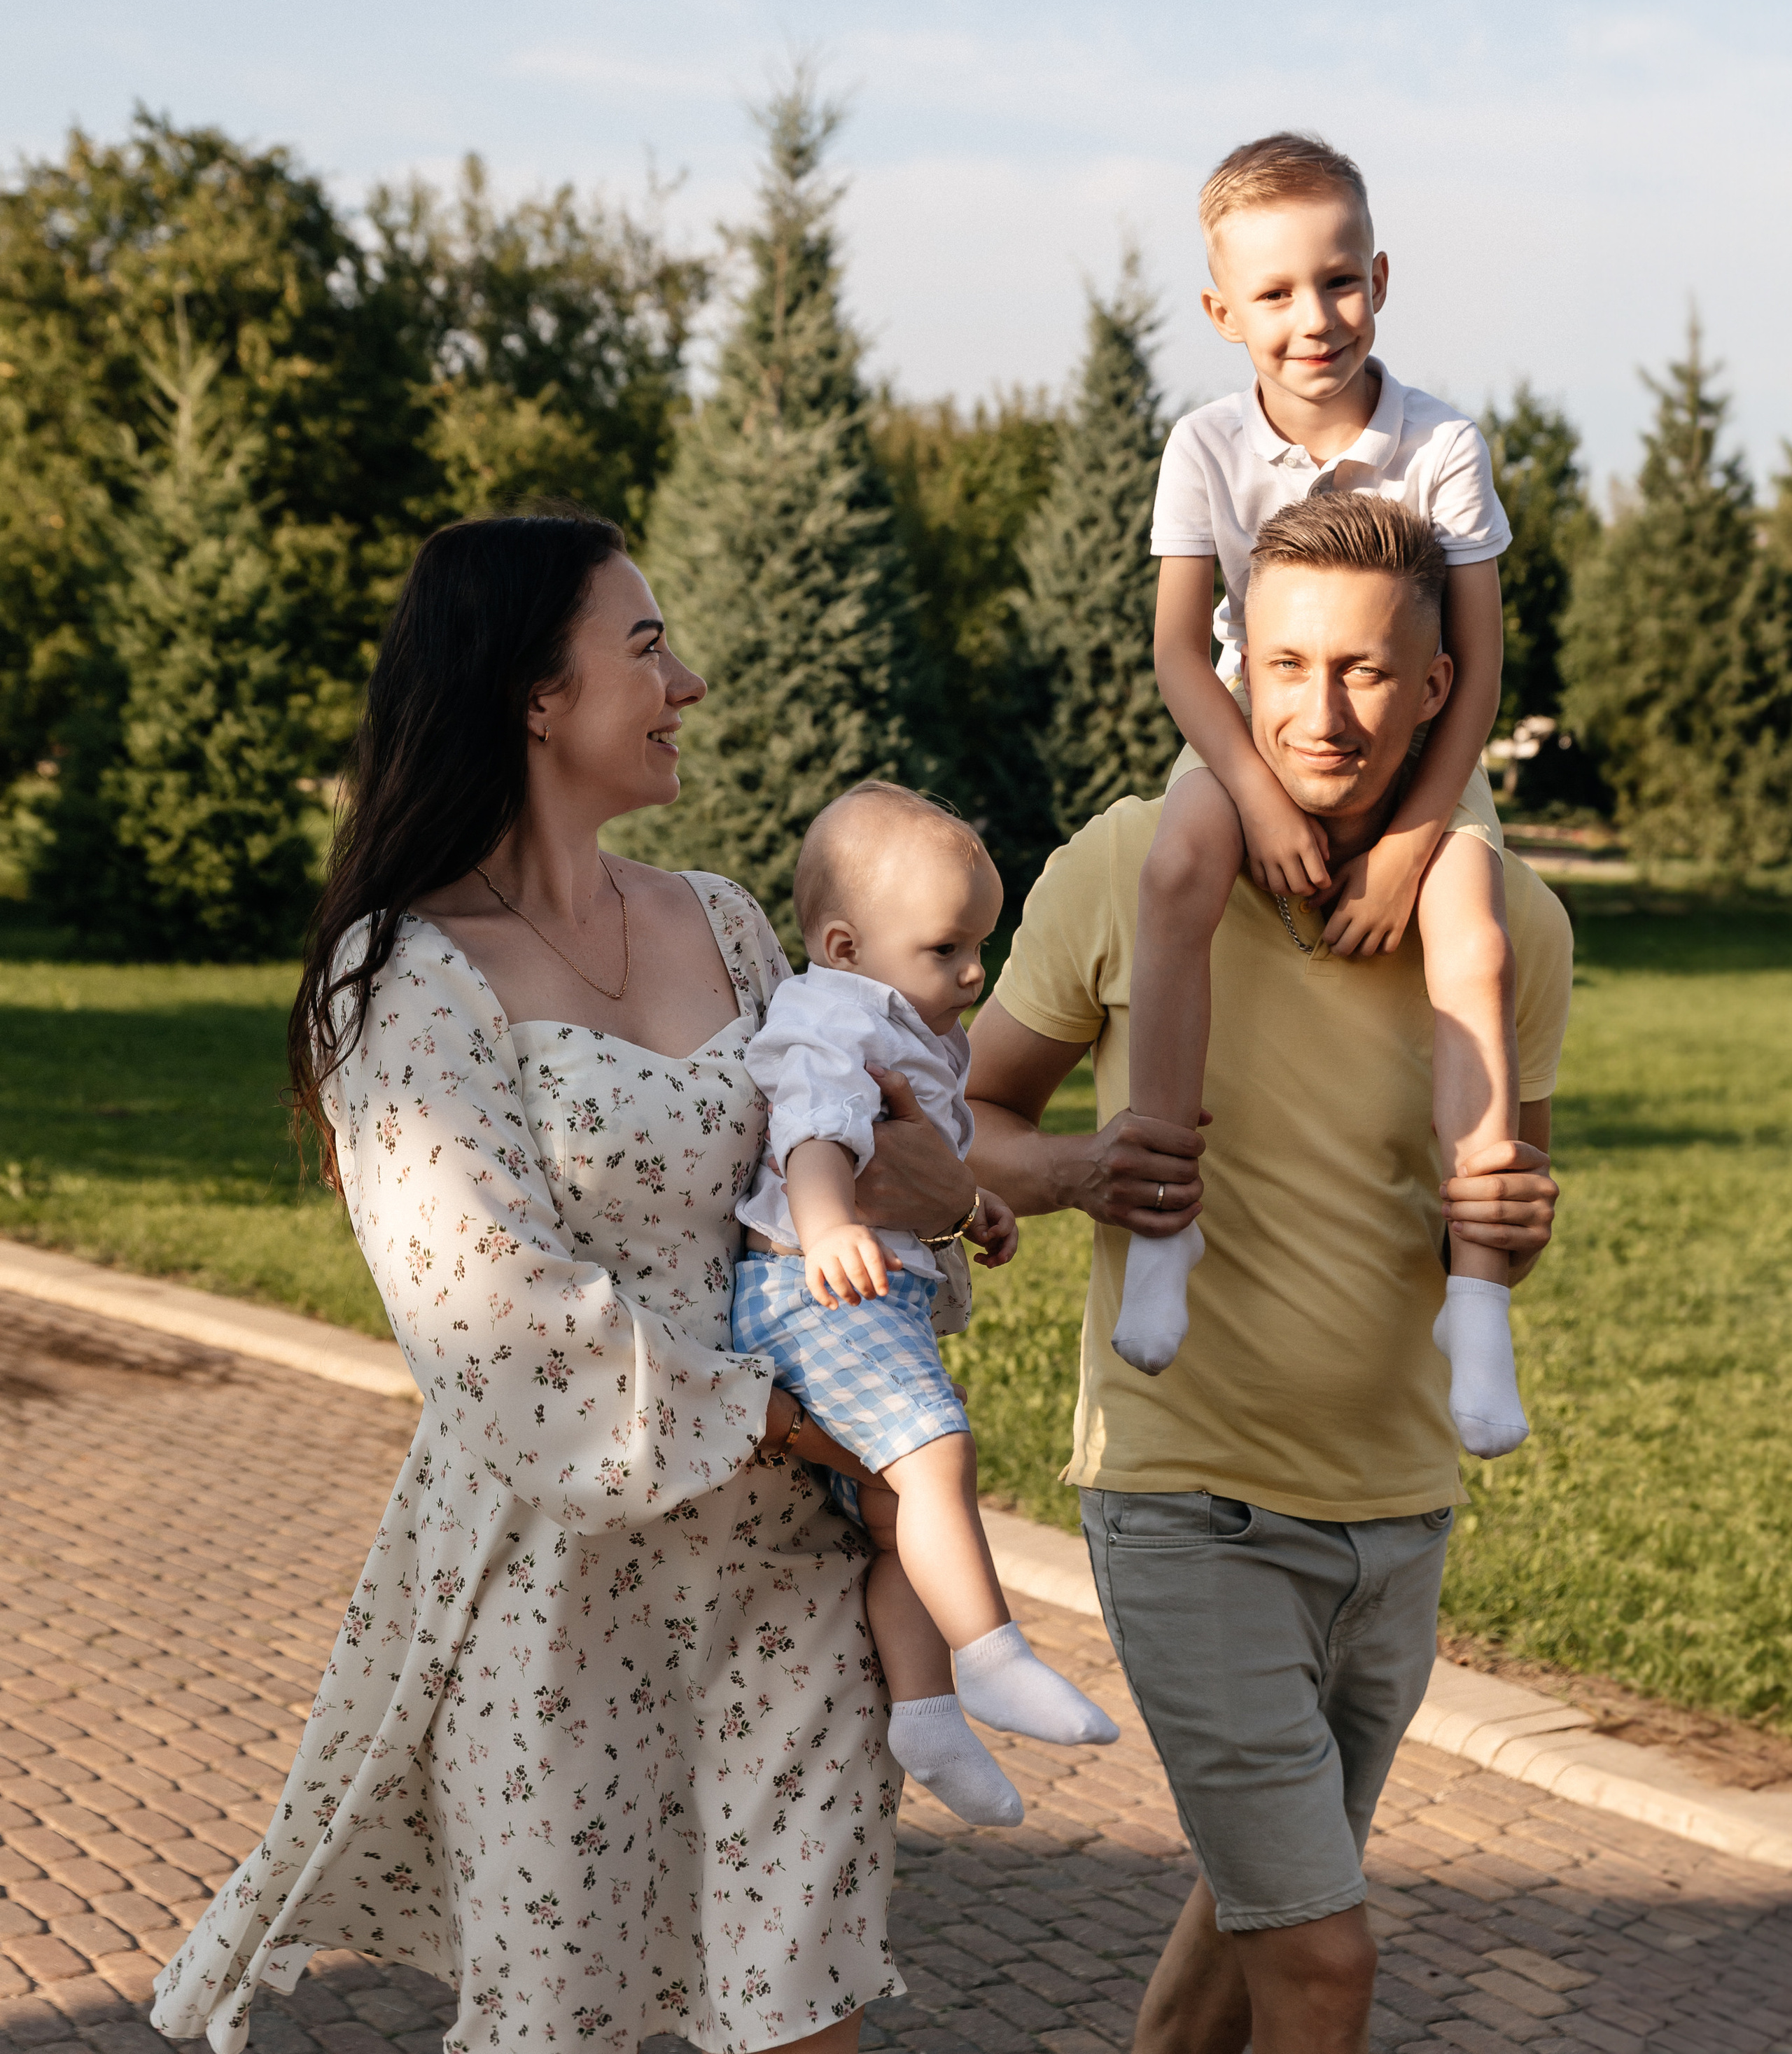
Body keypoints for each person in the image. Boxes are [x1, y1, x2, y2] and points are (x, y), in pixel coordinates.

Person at [153, 514, 975, 2054]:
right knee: (565, 2022)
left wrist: (941, 1205)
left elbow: (849, 1166)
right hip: (554, 1586)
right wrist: (799, 1421)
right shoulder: (399, 978)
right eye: (649, 645)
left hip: (787, 1582)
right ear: (538, 695)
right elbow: (494, 1312)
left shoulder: (728, 921)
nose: (693, 680)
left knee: (808, 2011)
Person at [965, 497, 1571, 2054]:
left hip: (1394, 1515)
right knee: (1322, 1964)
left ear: (1435, 688)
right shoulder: (1126, 866)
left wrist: (1506, 1217)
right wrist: (1078, 1173)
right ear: (1232, 664)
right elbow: (958, 1126)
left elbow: (1480, 1213)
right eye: (1284, 664)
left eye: (1366, 672)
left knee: (1246, 1938)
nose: (1318, 711)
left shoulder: (1506, 924)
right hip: (1191, 1501)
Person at [1118, 132, 1527, 1465]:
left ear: (1381, 278)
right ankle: (1166, 1230)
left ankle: (1476, 1295)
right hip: (1256, 743)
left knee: (1475, 925)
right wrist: (1254, 794)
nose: (1315, 319)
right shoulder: (1206, 444)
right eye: (1279, 293)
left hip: (1416, 760)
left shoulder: (1441, 442)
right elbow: (1186, 649)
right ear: (1222, 310)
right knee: (1178, 874)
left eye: (1340, 282)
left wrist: (1416, 839)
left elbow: (1476, 663)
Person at [732, 781, 1119, 1832]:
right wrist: (829, 1227)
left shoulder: (899, 1015)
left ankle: (928, 1711)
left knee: (905, 1517)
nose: (974, 971)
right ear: (848, 943)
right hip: (810, 1286)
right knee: (937, 1457)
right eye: (947, 949)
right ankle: (994, 1654)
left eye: (978, 946)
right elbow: (813, 1131)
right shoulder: (835, 1015)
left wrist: (975, 1205)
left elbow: (921, 1156)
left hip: (857, 1285)